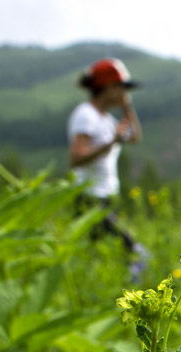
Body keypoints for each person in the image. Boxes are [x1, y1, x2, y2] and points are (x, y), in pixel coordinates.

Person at [68, 57, 147, 280]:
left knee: (99, 253)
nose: (124, 92)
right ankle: (133, 291)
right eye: (122, 87)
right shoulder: (86, 115)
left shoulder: (107, 119)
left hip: (106, 196)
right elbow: (76, 157)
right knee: (128, 246)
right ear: (108, 87)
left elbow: (134, 137)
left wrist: (127, 107)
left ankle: (111, 290)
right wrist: (110, 143)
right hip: (89, 197)